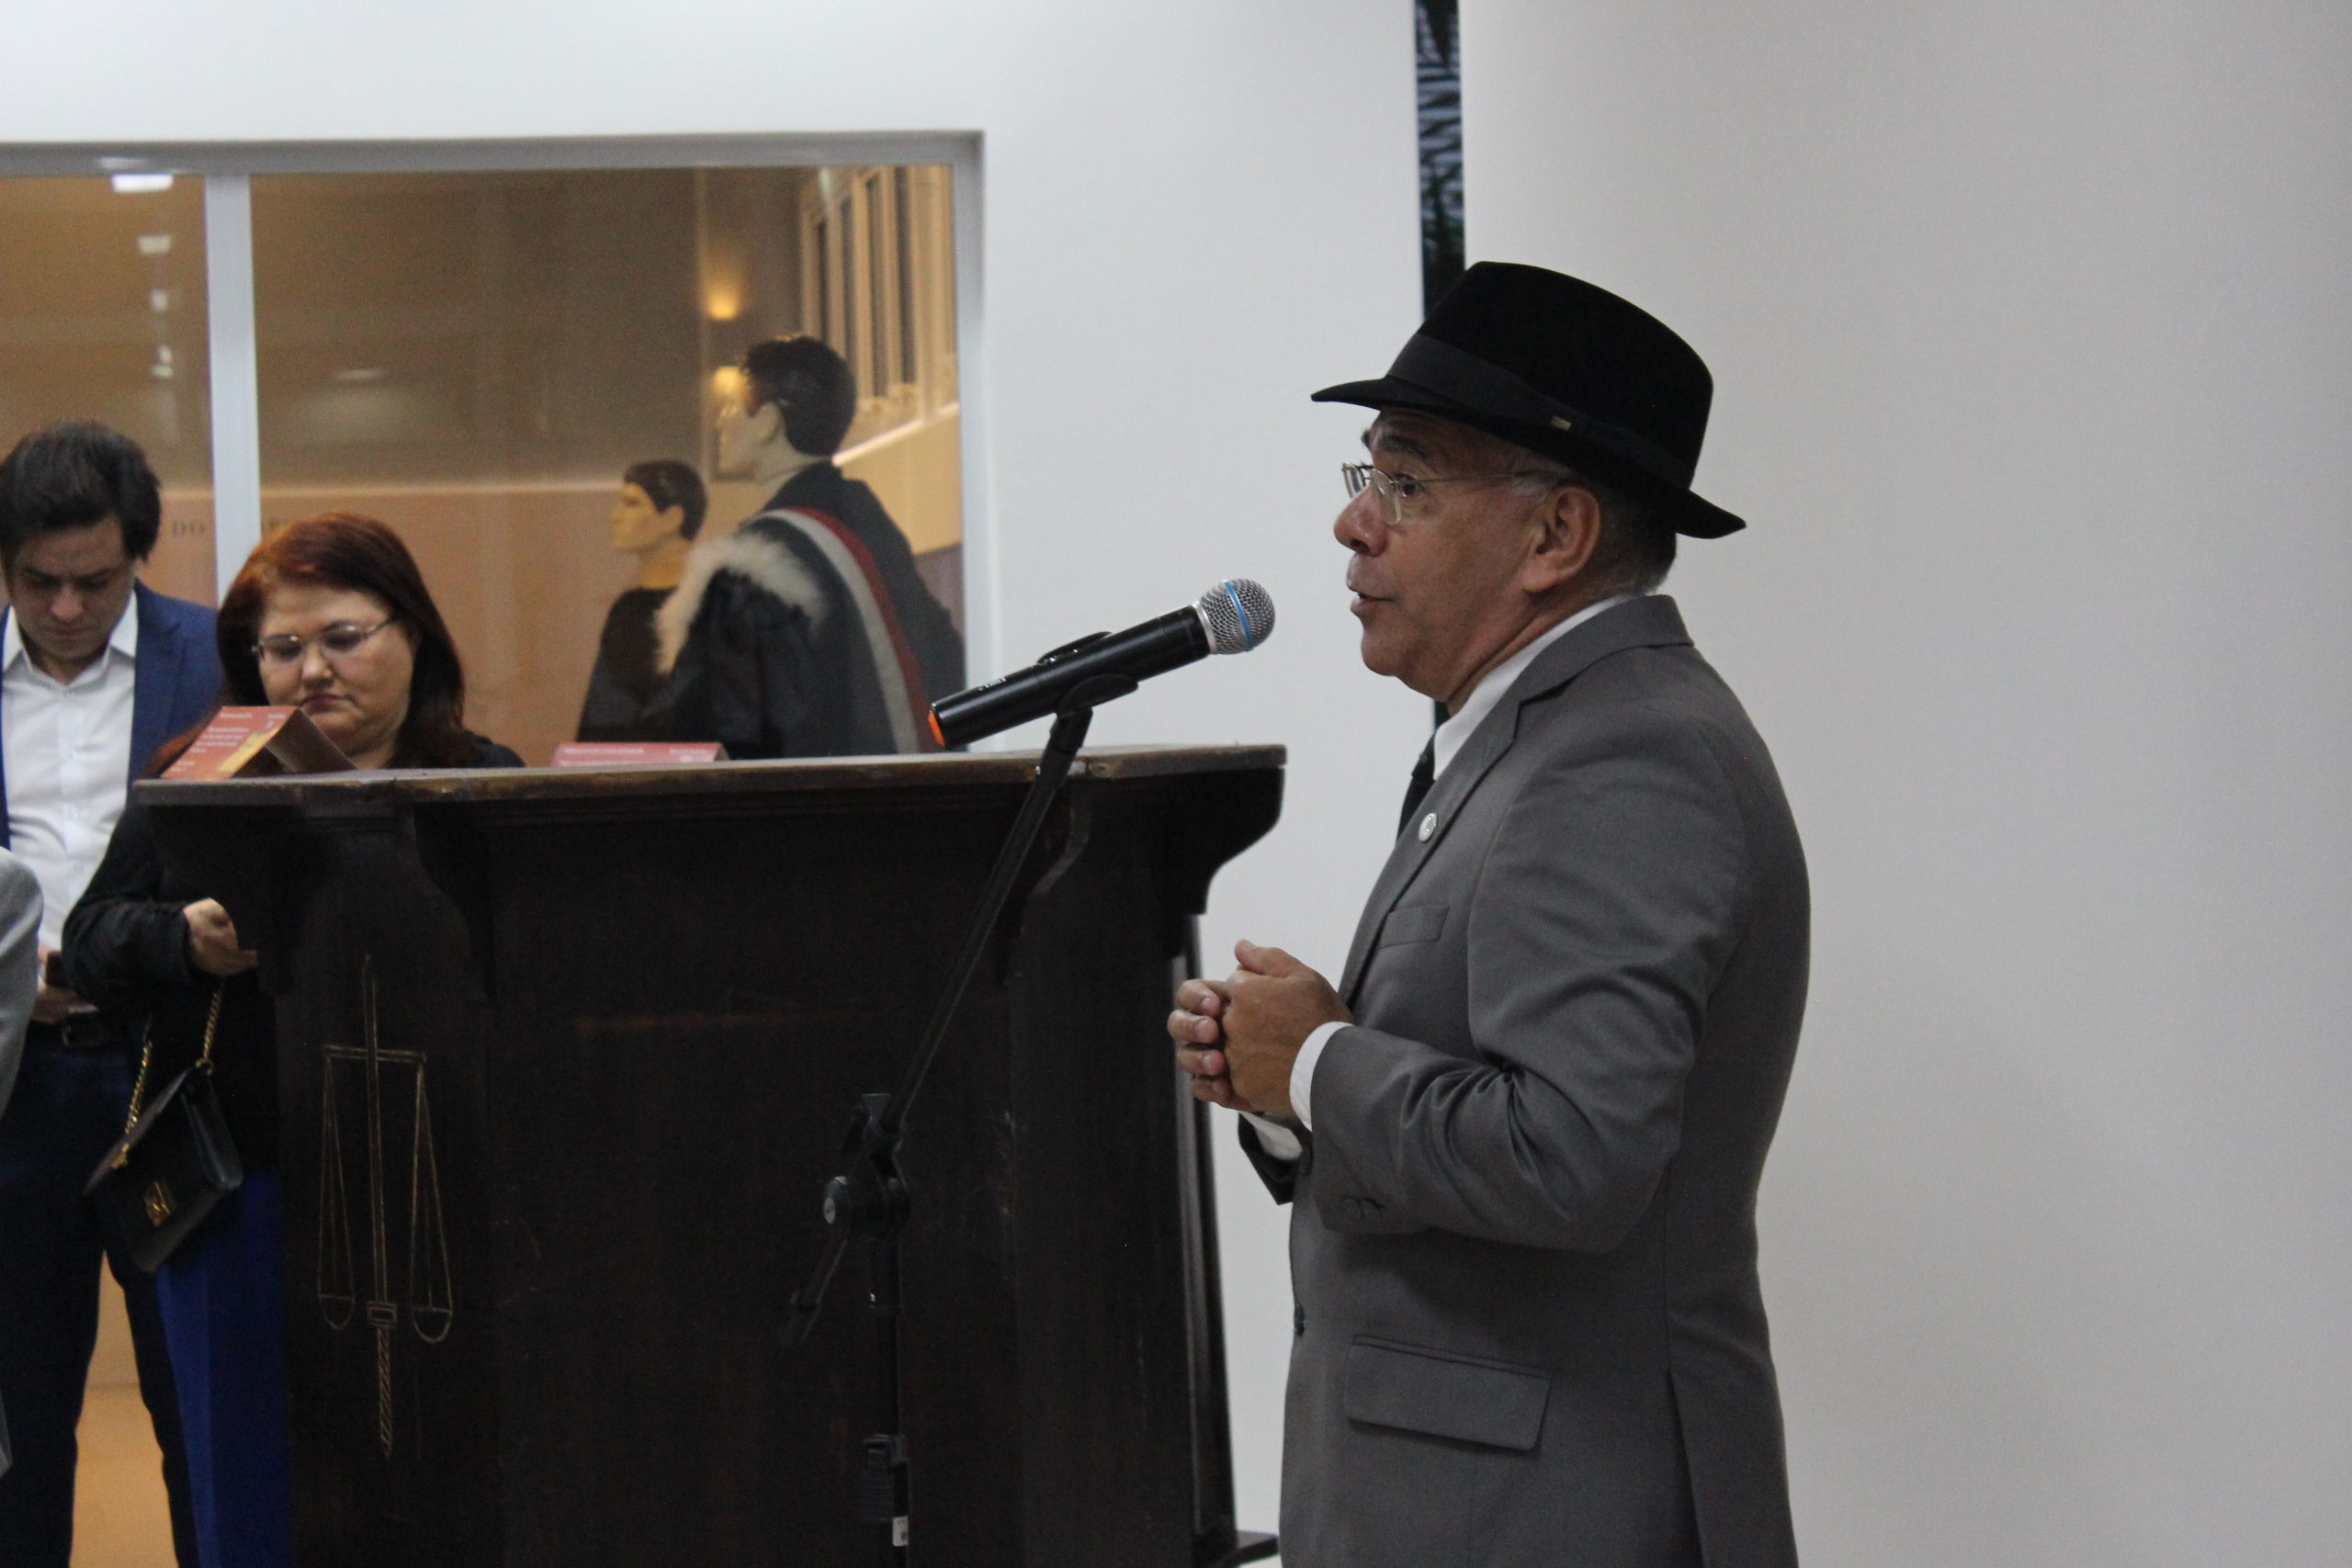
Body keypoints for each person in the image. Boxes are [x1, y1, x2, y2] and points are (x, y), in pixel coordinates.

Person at [1170, 264, 1808, 1567]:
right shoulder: (1544, 735)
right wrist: (1288, 1089)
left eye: (1407, 482)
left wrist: (1321, 1060)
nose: (1354, 522)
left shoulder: (1623, 758)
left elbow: (1572, 1152)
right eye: (1365, 472)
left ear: (1555, 535)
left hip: (1549, 1516)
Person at [63, 513, 525, 1568]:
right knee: (248, 1492)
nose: (312, 670)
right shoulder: (203, 779)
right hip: (243, 1194)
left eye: (342, 638)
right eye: (282, 648)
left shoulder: (481, 782)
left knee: (436, 1491)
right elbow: (90, 943)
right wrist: (180, 941)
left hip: (436, 1195)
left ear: (413, 634)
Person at [0, 419, 217, 1567]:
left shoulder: (215, 658)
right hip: (14, 1085)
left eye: (95, 580)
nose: (68, 607)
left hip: (168, 1073)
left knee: (197, 1410)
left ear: (138, 554)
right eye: (39, 581)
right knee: (20, 1422)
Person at [652, 334, 965, 758]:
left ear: (768, 422)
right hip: (915, 785)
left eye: (731, 407)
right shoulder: (869, 527)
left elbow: (718, 728)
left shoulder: (756, 562)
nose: (721, 422)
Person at [576, 458, 706, 743]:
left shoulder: (710, 607)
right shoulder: (627, 609)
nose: (615, 516)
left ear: (672, 518)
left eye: (632, 504)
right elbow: (600, 714)